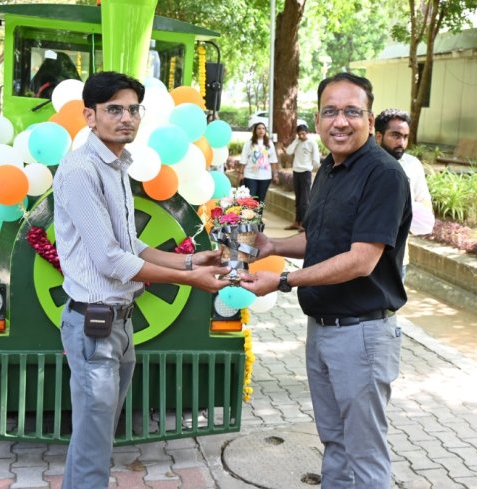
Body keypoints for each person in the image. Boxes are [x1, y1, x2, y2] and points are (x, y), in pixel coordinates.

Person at [53, 71, 230, 489]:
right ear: (89, 116)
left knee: (93, 440)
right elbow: (111, 260)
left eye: (133, 109)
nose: (126, 117)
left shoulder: (117, 166)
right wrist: (193, 281)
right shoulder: (81, 170)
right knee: (95, 450)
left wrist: (191, 261)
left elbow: (130, 244)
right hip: (94, 326)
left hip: (119, 325)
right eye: (113, 109)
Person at [240, 72, 412, 488]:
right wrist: (274, 246)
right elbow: (322, 240)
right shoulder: (330, 169)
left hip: (362, 335)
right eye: (331, 111)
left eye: (352, 111)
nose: (340, 121)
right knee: (334, 444)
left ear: (370, 121)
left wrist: (284, 282)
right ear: (317, 121)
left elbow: (359, 261)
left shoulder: (383, 175)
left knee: (365, 456)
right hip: (323, 330)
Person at [374, 108, 435, 281]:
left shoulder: (413, 165)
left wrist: (400, 208)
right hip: (360, 258)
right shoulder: (363, 164)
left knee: (390, 309)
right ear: (379, 136)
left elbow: (425, 211)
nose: (401, 142)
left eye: (405, 137)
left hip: (397, 259)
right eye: (395, 135)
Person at [283, 124, 320, 231]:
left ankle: (304, 223)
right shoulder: (297, 142)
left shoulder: (312, 143)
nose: (301, 136)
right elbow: (289, 151)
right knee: (298, 199)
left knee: (304, 199)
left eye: (303, 133)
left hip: (306, 172)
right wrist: (296, 141)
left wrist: (311, 169)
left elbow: (316, 159)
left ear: (307, 132)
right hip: (296, 171)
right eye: (299, 134)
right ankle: (297, 221)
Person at [240, 122, 279, 205]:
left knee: (260, 200)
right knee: (251, 199)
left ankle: (258, 217)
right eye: (259, 128)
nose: (261, 130)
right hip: (250, 175)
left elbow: (273, 160)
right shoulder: (249, 143)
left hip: (265, 176)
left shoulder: (269, 143)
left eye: (263, 128)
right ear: (255, 130)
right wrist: (240, 173)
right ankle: (250, 217)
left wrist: (275, 175)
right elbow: (243, 159)